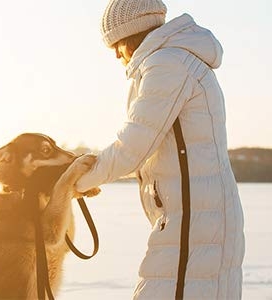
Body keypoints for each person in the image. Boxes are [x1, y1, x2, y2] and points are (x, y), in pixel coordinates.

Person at [72, 0, 245, 299]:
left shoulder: (167, 64)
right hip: (194, 218)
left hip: (194, 222)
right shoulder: (173, 61)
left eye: (117, 43)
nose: (115, 53)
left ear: (133, 33)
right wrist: (94, 175)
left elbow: (133, 146)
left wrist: (74, 182)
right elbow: (153, 155)